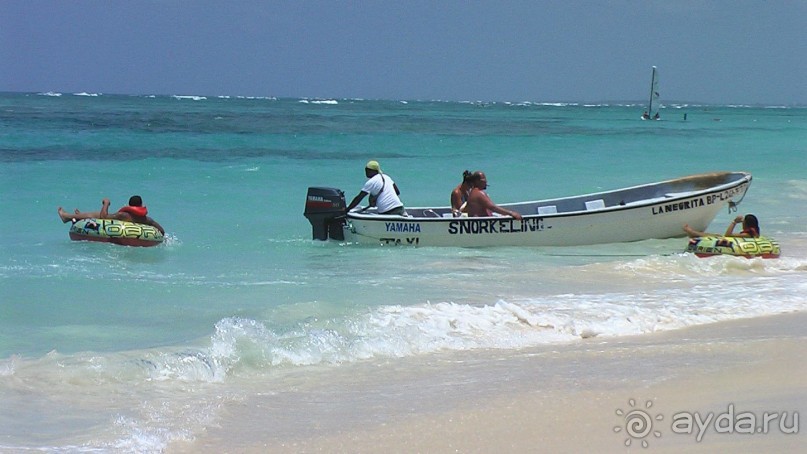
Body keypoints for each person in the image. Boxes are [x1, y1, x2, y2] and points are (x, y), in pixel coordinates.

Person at [58, 195, 165, 234]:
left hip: (114, 228)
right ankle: (79, 216)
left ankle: (67, 217)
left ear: (130, 205)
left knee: (97, 215)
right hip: (136, 235)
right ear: (141, 206)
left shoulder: (124, 215)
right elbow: (162, 230)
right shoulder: (147, 220)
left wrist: (106, 203)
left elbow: (104, 217)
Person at [683, 214, 760, 238]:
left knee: (716, 236)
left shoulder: (747, 234)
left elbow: (728, 235)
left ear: (746, 224)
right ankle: (693, 233)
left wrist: (734, 222)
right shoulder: (755, 233)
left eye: (743, 222)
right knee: (717, 235)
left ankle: (692, 233)